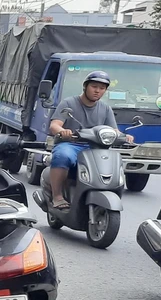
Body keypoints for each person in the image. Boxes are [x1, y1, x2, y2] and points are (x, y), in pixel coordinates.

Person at [48, 70, 132, 211]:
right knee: (61, 156)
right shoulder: (68, 103)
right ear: (85, 86)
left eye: (102, 88)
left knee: (114, 162)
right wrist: (63, 131)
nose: (97, 91)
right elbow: (54, 125)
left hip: (95, 147)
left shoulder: (105, 109)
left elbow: (113, 130)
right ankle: (57, 196)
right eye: (94, 86)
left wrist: (124, 136)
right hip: (71, 144)